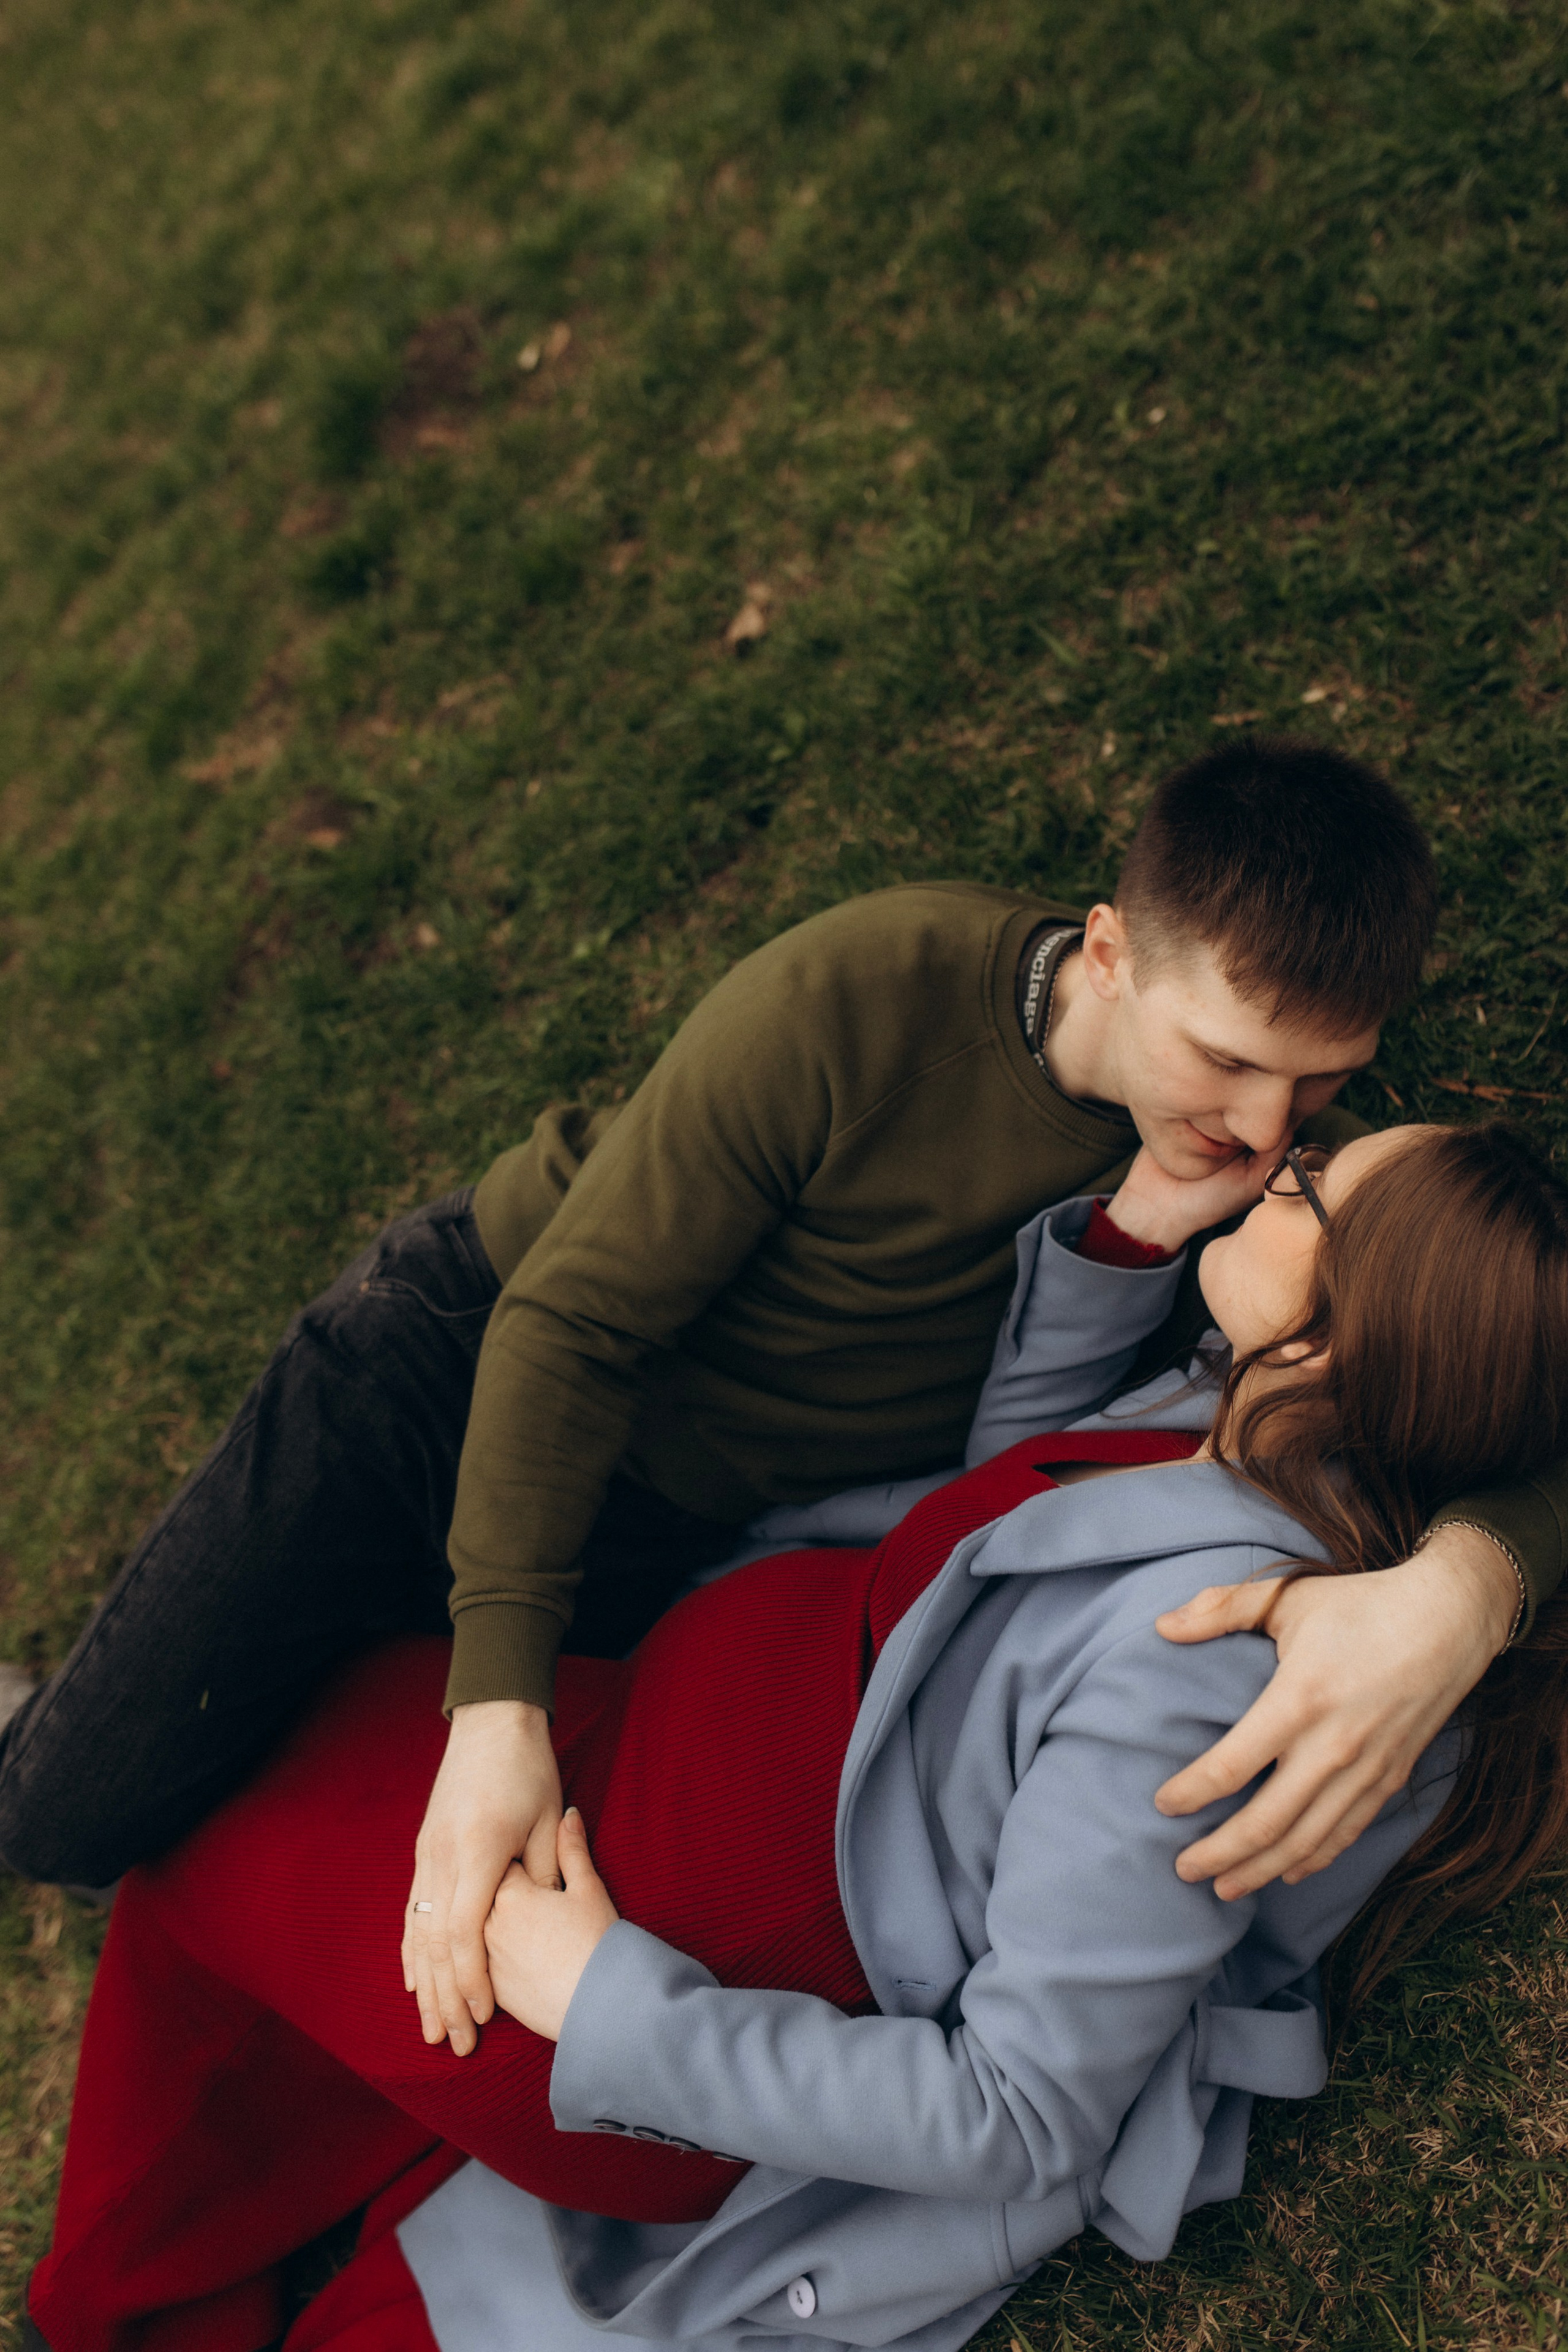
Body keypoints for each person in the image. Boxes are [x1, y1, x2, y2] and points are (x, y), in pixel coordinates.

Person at [0, 741, 1556, 2062]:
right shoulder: (858, 998)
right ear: (1107, 952)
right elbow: (572, 1327)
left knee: (348, 1856)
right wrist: (497, 1712)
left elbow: (1493, 1358)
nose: (1267, 1128)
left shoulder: (1286, 1200)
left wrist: (1459, 1592)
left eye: (1320, 1081)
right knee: (70, 1817)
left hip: (689, 1539)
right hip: (458, 1382)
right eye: (1226, 1061)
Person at [28, 1120, 1568, 2352]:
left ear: (1349, 1338)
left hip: (645, 1943)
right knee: (288, 1777)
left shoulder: (1222, 1671)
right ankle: (190, 2256)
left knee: (196, 1850)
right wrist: (1123, 1242)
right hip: (637, 1741)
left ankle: (110, 2313)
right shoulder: (1236, 1422)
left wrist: (604, 1999)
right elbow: (994, 1523)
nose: (1288, 1160)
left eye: (1315, 1188)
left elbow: (1021, 2116)